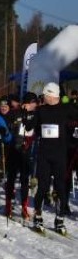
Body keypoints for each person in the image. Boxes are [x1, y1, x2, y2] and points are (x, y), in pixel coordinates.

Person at [31, 82, 78, 234]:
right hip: (44, 154)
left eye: (45, 95)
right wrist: (28, 113)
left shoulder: (66, 109)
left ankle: (60, 219)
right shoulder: (41, 110)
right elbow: (31, 127)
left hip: (60, 155)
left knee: (61, 187)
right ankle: (37, 217)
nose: (44, 97)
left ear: (52, 95)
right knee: (42, 188)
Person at [4, 92, 38, 221]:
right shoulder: (15, 112)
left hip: (27, 152)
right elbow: (5, 124)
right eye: (34, 102)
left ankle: (24, 206)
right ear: (28, 103)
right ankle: (8, 204)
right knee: (11, 178)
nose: (36, 105)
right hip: (14, 150)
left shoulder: (35, 114)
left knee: (25, 180)